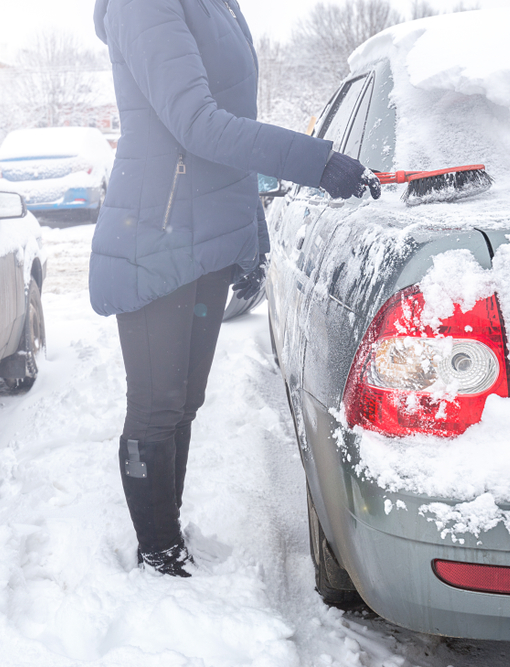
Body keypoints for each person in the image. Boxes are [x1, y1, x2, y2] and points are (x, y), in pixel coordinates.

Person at [91, 0, 380, 577]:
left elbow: (231, 128)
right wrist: (314, 162)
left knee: (184, 402)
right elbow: (197, 123)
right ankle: (159, 552)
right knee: (156, 406)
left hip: (207, 237)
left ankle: (170, 529)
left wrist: (251, 234)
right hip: (158, 234)